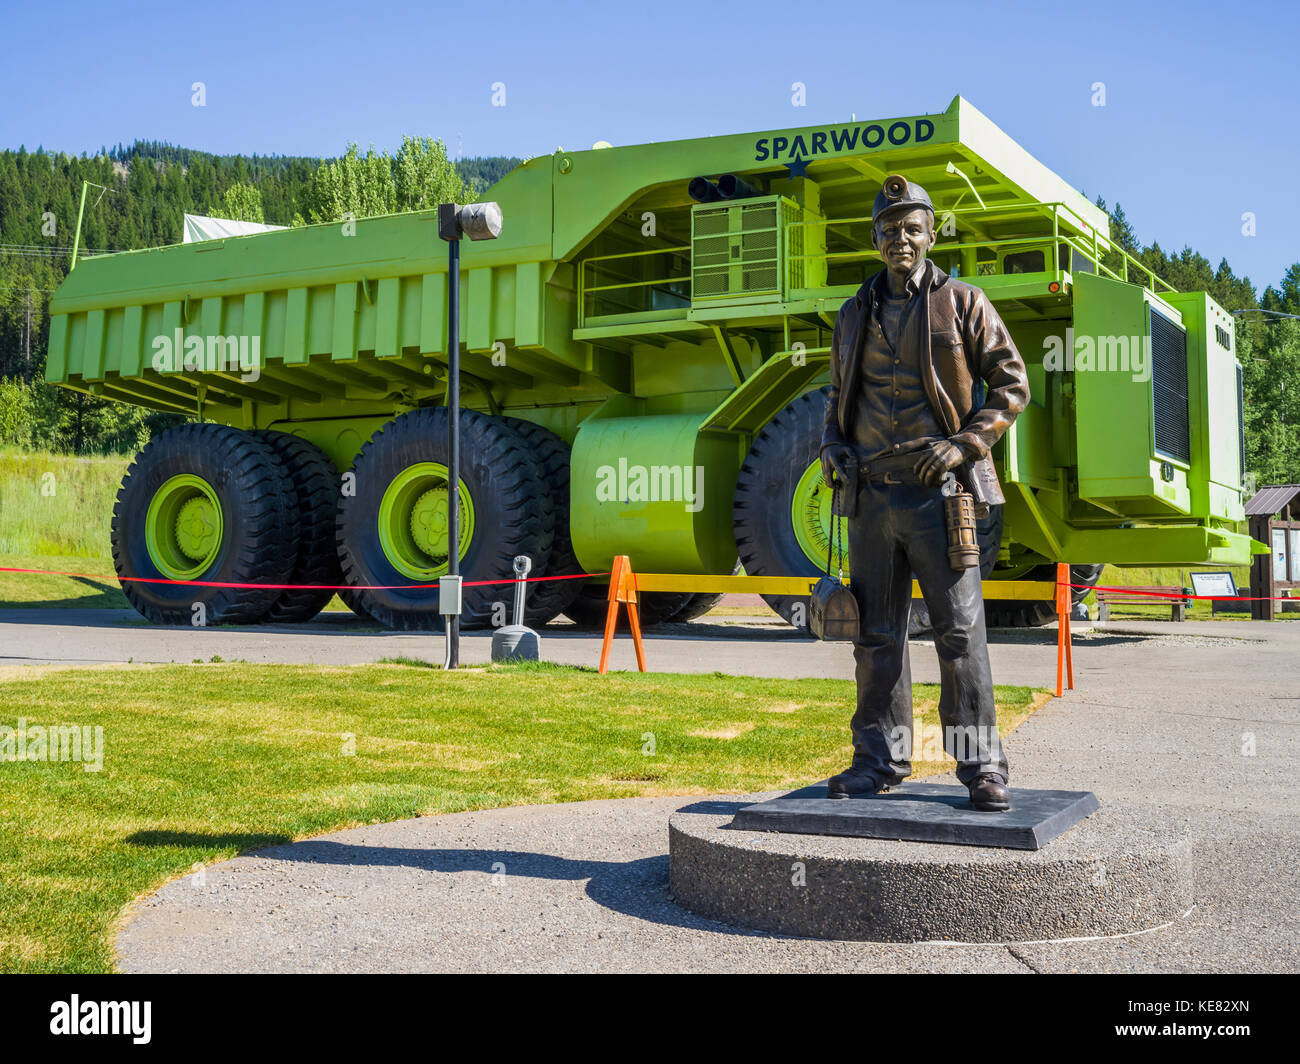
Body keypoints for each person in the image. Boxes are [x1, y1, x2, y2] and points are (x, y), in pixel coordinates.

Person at [820, 174, 1029, 811]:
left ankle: (983, 766)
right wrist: (831, 446)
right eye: (889, 229)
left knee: (960, 633)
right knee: (877, 635)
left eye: (912, 228)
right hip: (872, 498)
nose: (900, 239)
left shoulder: (964, 302)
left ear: (931, 234)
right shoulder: (853, 314)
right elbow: (836, 403)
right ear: (875, 238)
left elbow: (1011, 387)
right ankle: (878, 759)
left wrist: (964, 444)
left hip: (942, 495)